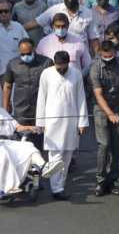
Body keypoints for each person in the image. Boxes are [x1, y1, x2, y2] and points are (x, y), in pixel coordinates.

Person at [0, 87, 62, 200]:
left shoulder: (1, 111)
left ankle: (44, 167)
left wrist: (31, 127)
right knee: (3, 152)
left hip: (6, 142)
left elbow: (16, 126)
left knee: (28, 146)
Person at [36, 51, 88, 200]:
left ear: (68, 63)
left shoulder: (76, 74)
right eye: (58, 66)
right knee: (55, 156)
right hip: (51, 122)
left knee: (67, 156)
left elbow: (81, 98)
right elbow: (41, 97)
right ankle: (56, 188)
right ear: (54, 63)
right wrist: (40, 122)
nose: (60, 69)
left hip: (71, 121)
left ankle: (60, 186)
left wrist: (82, 122)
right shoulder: (46, 74)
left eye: (63, 66)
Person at [91, 41, 119, 196]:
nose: (108, 58)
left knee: (117, 146)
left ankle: (112, 181)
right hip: (101, 109)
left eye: (110, 55)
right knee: (104, 144)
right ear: (100, 54)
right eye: (105, 56)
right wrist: (110, 114)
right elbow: (98, 94)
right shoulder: (96, 67)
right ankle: (100, 180)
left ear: (115, 52)